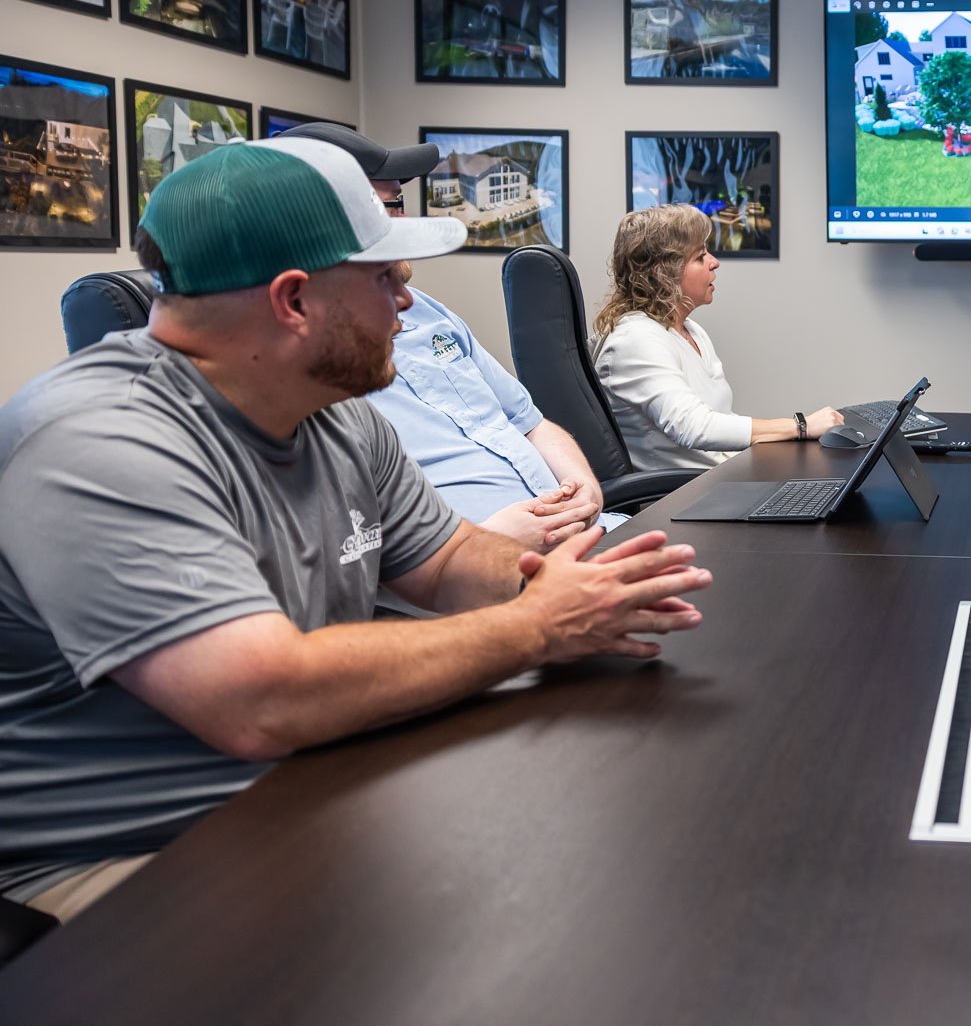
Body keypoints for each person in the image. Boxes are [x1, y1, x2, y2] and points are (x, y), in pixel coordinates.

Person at [0, 141, 709, 921]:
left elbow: (446, 561)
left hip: (309, 784)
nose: (407, 299)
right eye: (383, 277)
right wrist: (536, 626)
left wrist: (571, 587)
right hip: (126, 856)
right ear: (294, 300)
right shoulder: (98, 442)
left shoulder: (338, 414)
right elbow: (257, 697)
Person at [280, 122, 613, 553]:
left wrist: (586, 487)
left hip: (586, 532)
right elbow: (359, 555)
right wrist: (482, 544)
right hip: (501, 570)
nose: (403, 303)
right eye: (390, 204)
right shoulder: (306, 391)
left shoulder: (427, 309)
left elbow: (530, 422)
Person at [593, 204, 840, 470]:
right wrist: (800, 426)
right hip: (679, 498)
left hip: (720, 479)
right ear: (662, 272)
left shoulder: (691, 331)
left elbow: (721, 421)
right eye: (700, 257)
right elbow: (693, 427)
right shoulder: (635, 340)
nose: (714, 262)